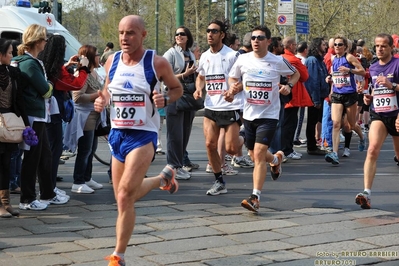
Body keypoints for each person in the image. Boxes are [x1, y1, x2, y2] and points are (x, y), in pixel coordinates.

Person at [93, 15, 182, 266]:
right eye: (121, 32)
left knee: (123, 196)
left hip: (143, 136)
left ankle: (117, 256)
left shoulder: (156, 62)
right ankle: (161, 179)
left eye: (130, 33)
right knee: (124, 199)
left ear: (143, 35)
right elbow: (108, 89)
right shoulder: (112, 60)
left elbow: (176, 89)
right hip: (117, 134)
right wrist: (102, 99)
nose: (124, 38)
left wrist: (166, 99)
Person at [227, 25, 300, 212]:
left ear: (268, 41)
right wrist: (234, 87)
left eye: (260, 38)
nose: (256, 41)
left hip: (269, 115)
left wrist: (289, 86)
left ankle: (255, 198)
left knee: (258, 155)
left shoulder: (277, 61)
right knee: (254, 154)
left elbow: (296, 73)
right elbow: (232, 78)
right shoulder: (243, 59)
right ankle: (275, 161)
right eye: (253, 38)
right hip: (249, 114)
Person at [13, 24, 69, 211]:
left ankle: (47, 193)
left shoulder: (29, 62)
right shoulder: (28, 63)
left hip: (38, 115)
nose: (46, 42)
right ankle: (27, 199)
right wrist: (49, 87)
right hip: (33, 115)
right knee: (32, 158)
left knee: (44, 156)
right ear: (37, 41)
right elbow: (45, 90)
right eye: (44, 39)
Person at [194, 19, 243, 195]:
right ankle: (219, 181)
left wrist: (233, 90)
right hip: (212, 106)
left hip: (230, 106)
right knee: (209, 144)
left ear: (222, 35)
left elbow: (244, 78)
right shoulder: (205, 56)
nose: (210, 34)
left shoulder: (232, 55)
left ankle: (245, 136)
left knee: (231, 149)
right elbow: (201, 76)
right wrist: (199, 90)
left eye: (214, 31)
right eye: (208, 31)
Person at [37, 34, 90, 198]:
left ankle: (49, 187)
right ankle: (49, 189)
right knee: (54, 150)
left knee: (48, 151)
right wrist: (84, 69)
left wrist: (67, 65)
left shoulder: (44, 64)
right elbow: (76, 84)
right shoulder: (56, 69)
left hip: (45, 112)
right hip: (54, 112)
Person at [356, 33, 399, 209]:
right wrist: (369, 98)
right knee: (372, 149)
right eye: (377, 46)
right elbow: (375, 90)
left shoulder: (397, 64)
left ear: (391, 48)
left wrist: (393, 86)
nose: (379, 49)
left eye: (383, 46)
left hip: (397, 114)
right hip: (379, 114)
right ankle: (366, 193)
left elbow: (392, 88)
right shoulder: (373, 68)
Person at [64, 45, 104, 194]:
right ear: (91, 57)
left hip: (94, 116)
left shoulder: (94, 73)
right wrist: (97, 95)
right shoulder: (82, 74)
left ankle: (87, 178)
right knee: (85, 150)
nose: (100, 57)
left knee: (91, 149)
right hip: (84, 117)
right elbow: (77, 97)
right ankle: (78, 181)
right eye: (98, 54)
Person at [163, 26, 198, 180]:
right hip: (174, 96)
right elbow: (165, 76)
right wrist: (184, 75)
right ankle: (173, 167)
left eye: (182, 34)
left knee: (185, 133)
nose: (179, 36)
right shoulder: (170, 54)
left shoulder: (190, 53)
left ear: (188, 37)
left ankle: (180, 165)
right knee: (174, 135)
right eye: (177, 34)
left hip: (188, 96)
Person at [325, 35, 366, 165]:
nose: (337, 47)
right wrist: (329, 78)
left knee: (351, 125)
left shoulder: (348, 57)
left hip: (349, 94)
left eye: (340, 45)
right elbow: (335, 75)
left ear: (345, 47)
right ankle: (335, 154)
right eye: (335, 45)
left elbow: (362, 71)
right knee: (336, 123)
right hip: (337, 94)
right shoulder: (332, 59)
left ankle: (361, 137)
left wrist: (349, 69)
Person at [0, 38, 27, 217]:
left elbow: (19, 99)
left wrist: (26, 124)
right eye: (9, 53)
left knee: (6, 163)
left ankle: (5, 202)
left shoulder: (13, 72)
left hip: (10, 122)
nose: (12, 55)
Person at [281, 37, 312, 161]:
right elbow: (304, 76)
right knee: (290, 124)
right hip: (293, 95)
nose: (296, 47)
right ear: (289, 46)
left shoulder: (281, 58)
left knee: (283, 124)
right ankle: (287, 149)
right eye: (294, 44)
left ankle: (284, 149)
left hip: (283, 95)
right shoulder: (294, 60)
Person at [305, 38, 330, 155]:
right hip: (315, 96)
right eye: (323, 44)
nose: (325, 47)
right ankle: (311, 146)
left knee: (315, 120)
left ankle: (313, 144)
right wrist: (315, 99)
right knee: (311, 121)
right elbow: (313, 80)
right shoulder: (312, 60)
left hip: (321, 95)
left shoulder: (320, 60)